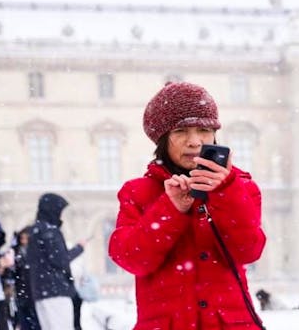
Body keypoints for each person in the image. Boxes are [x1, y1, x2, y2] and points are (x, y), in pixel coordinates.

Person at [108, 82, 266, 329]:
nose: (194, 142)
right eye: (180, 131)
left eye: (204, 129)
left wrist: (224, 191)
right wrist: (170, 209)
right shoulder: (138, 192)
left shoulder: (242, 188)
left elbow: (249, 250)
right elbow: (132, 259)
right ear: (162, 139)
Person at [29, 193, 85, 330]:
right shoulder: (50, 231)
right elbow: (60, 260)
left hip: (40, 291)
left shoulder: (35, 231)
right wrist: (79, 248)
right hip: (56, 290)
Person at [11, 226, 41, 330]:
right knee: (24, 322)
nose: (24, 241)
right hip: (22, 294)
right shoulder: (16, 252)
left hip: (34, 294)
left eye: (26, 238)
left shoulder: (36, 252)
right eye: (22, 238)